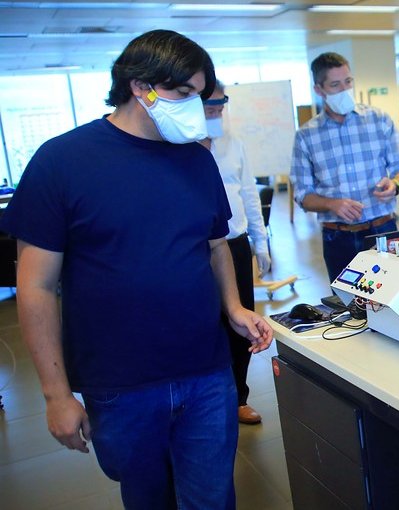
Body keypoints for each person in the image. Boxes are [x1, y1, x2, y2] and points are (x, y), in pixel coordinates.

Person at [0, 30, 273, 509]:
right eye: (182, 93)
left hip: (206, 372)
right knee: (146, 497)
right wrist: (56, 395)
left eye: (201, 95)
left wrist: (232, 306)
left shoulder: (197, 160)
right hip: (120, 382)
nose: (194, 107)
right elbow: (36, 286)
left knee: (211, 497)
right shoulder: (62, 161)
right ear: (138, 85)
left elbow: (215, 245)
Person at [291, 52, 399, 283]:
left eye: (348, 82)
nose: (344, 90)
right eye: (335, 85)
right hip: (337, 236)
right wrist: (331, 204)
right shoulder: (306, 135)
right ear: (319, 90)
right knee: (346, 308)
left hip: (382, 230)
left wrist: (394, 184)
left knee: (392, 300)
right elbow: (302, 195)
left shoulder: (379, 120)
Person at [201, 80, 271, 425]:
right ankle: (211, 402)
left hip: (235, 242)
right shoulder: (177, 145)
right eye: (209, 106)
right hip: (200, 249)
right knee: (207, 323)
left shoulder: (233, 143)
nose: (216, 112)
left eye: (220, 105)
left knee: (241, 323)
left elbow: (249, 195)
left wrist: (261, 242)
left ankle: (239, 397)